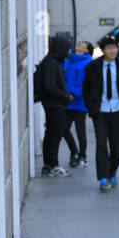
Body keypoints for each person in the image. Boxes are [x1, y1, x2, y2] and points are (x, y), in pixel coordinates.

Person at [83, 36, 119, 192]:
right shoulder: (93, 67)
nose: (113, 51)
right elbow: (86, 89)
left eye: (115, 48)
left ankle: (112, 171)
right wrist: (91, 107)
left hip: (118, 111)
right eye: (109, 48)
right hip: (100, 112)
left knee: (117, 146)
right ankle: (103, 178)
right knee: (101, 145)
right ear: (103, 50)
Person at [33, 36, 73, 177]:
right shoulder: (51, 63)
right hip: (54, 104)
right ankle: (53, 165)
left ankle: (48, 165)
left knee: (51, 134)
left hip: (53, 104)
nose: (67, 52)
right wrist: (65, 96)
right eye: (66, 49)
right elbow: (49, 86)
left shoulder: (51, 61)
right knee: (55, 135)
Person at [62, 40, 93, 169]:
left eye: (82, 44)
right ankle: (74, 151)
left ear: (86, 50)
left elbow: (88, 84)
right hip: (66, 102)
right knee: (63, 129)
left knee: (81, 131)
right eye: (79, 43)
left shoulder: (88, 64)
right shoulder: (68, 61)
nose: (78, 44)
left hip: (80, 103)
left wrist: (74, 94)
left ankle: (82, 156)